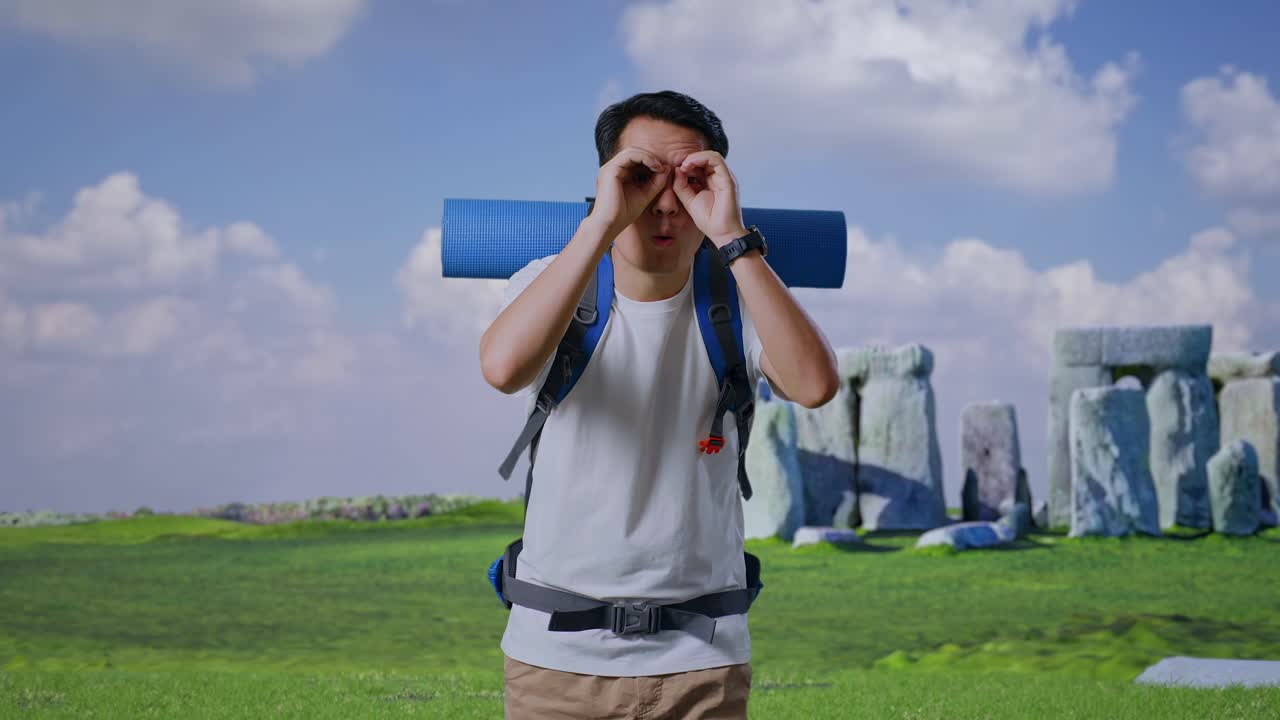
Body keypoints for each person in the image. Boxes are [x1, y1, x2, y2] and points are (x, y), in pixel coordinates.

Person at [480, 90, 839, 719]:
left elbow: (815, 385)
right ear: (608, 181)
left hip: (703, 660)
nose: (665, 208)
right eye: (643, 178)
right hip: (555, 662)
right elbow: (503, 368)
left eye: (688, 183)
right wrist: (601, 224)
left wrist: (730, 233)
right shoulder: (550, 280)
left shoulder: (743, 296)